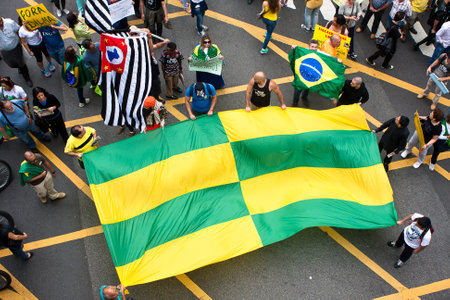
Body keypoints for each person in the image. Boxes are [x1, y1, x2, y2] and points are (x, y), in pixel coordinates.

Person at [0, 16, 33, 87]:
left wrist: (22, 41)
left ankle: (27, 78)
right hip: (4, 51)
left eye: (0, 20)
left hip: (16, 47)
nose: (0, 23)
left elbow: (18, 30)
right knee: (11, 64)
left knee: (22, 63)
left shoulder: (10, 23)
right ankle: (18, 67)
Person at [291, 39, 319, 107]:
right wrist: (293, 48)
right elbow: (295, 53)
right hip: (301, 75)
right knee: (298, 90)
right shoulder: (303, 51)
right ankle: (295, 102)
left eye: (316, 47)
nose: (314, 48)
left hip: (310, 76)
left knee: (307, 88)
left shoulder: (319, 54)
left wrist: (337, 60)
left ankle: (304, 97)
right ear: (309, 46)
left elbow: (329, 57)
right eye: (312, 46)